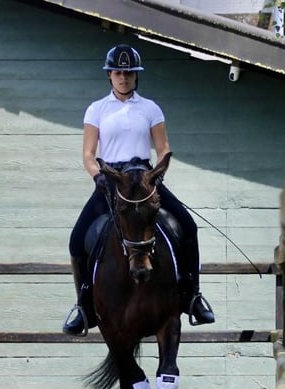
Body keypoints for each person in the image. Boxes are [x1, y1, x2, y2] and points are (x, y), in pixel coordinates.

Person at [62, 44, 215, 336]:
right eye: (118, 72)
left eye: (129, 73)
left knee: (188, 226)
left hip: (144, 180)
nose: (124, 78)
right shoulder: (97, 109)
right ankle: (83, 306)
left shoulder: (150, 108)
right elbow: (88, 153)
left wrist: (156, 177)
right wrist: (98, 177)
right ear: (110, 75)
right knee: (76, 238)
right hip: (112, 180)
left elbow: (163, 148)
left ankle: (194, 296)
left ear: (136, 76)